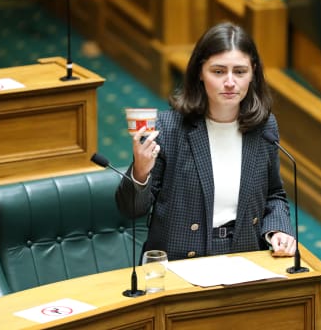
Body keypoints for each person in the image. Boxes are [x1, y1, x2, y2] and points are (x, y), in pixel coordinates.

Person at [115, 22, 296, 261]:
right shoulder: (168, 128)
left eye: (240, 72)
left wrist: (278, 230)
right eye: (219, 71)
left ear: (253, 73)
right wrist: (140, 172)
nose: (230, 82)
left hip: (244, 257)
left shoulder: (263, 127)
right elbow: (131, 210)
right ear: (200, 72)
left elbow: (273, 194)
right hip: (179, 262)